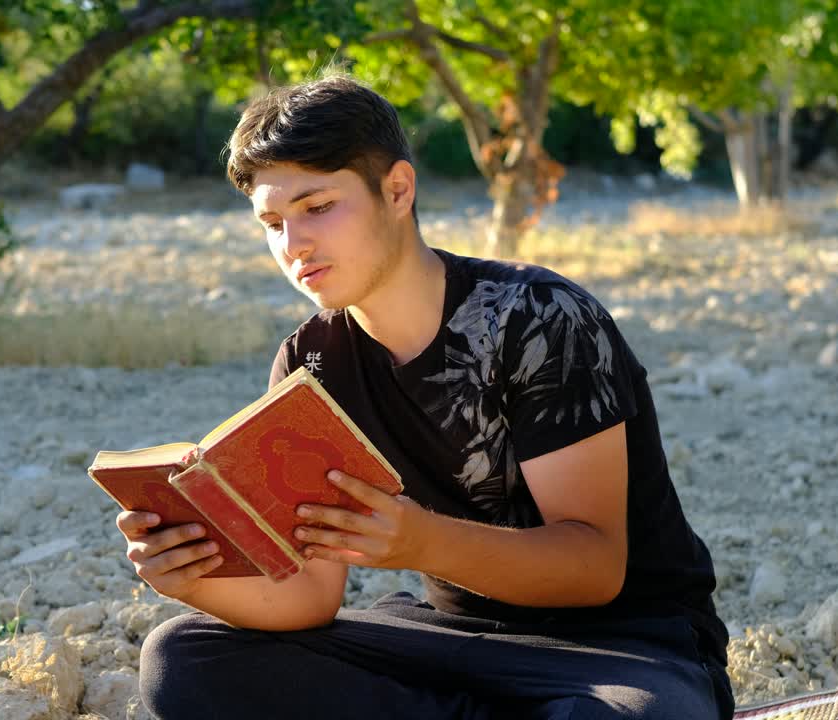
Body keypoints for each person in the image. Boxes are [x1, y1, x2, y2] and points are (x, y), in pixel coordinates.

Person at [116, 74, 734, 720]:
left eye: (318, 207)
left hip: (623, 651)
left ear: (398, 190)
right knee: (185, 657)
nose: (293, 246)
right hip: (447, 642)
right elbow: (311, 597)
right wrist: (187, 578)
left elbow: (594, 567)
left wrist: (421, 543)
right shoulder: (311, 364)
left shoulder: (541, 320)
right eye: (272, 223)